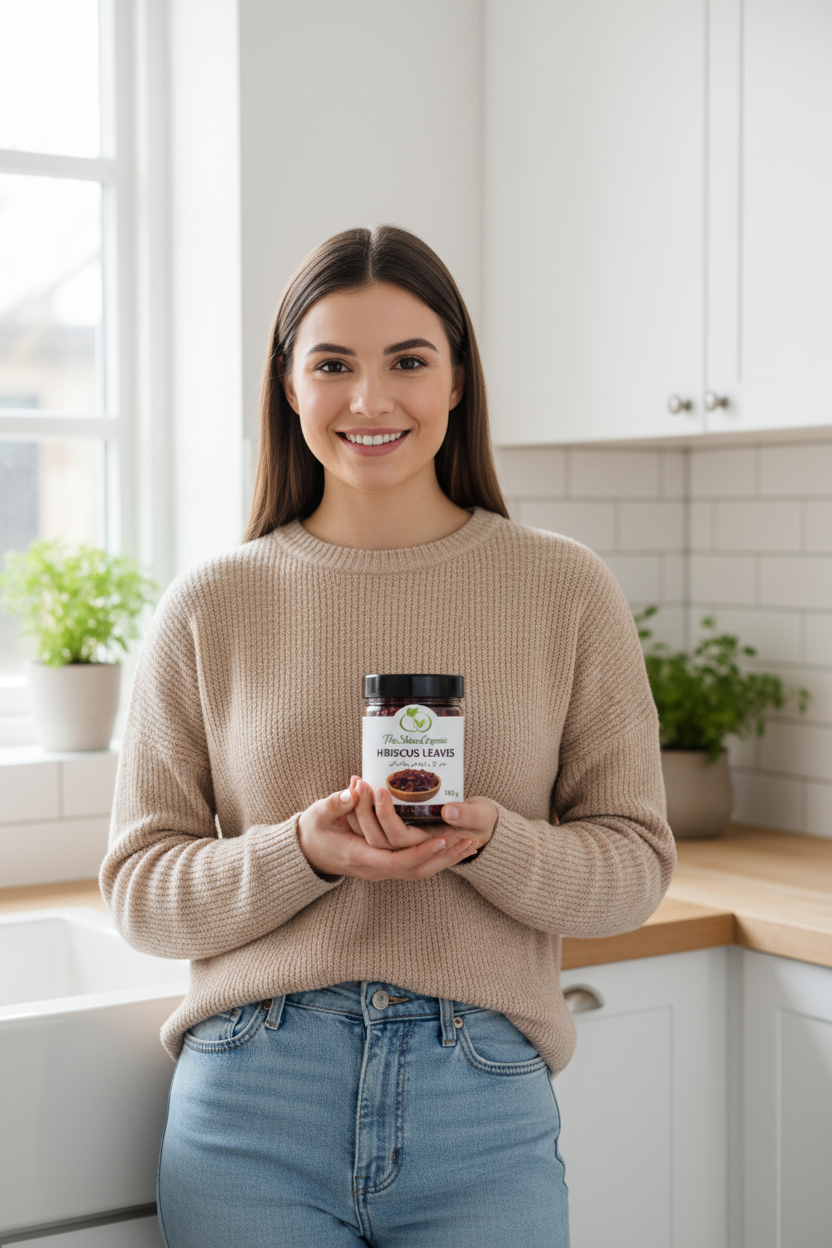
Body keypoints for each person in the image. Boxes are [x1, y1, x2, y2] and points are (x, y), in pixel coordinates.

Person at [100, 225, 676, 1248]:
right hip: (252, 1102)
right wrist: (303, 853)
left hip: (483, 1103)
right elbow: (141, 892)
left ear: (457, 381)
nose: (370, 400)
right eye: (333, 365)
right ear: (288, 386)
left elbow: (633, 869)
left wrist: (494, 843)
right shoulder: (211, 605)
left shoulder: (563, 588)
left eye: (408, 362)